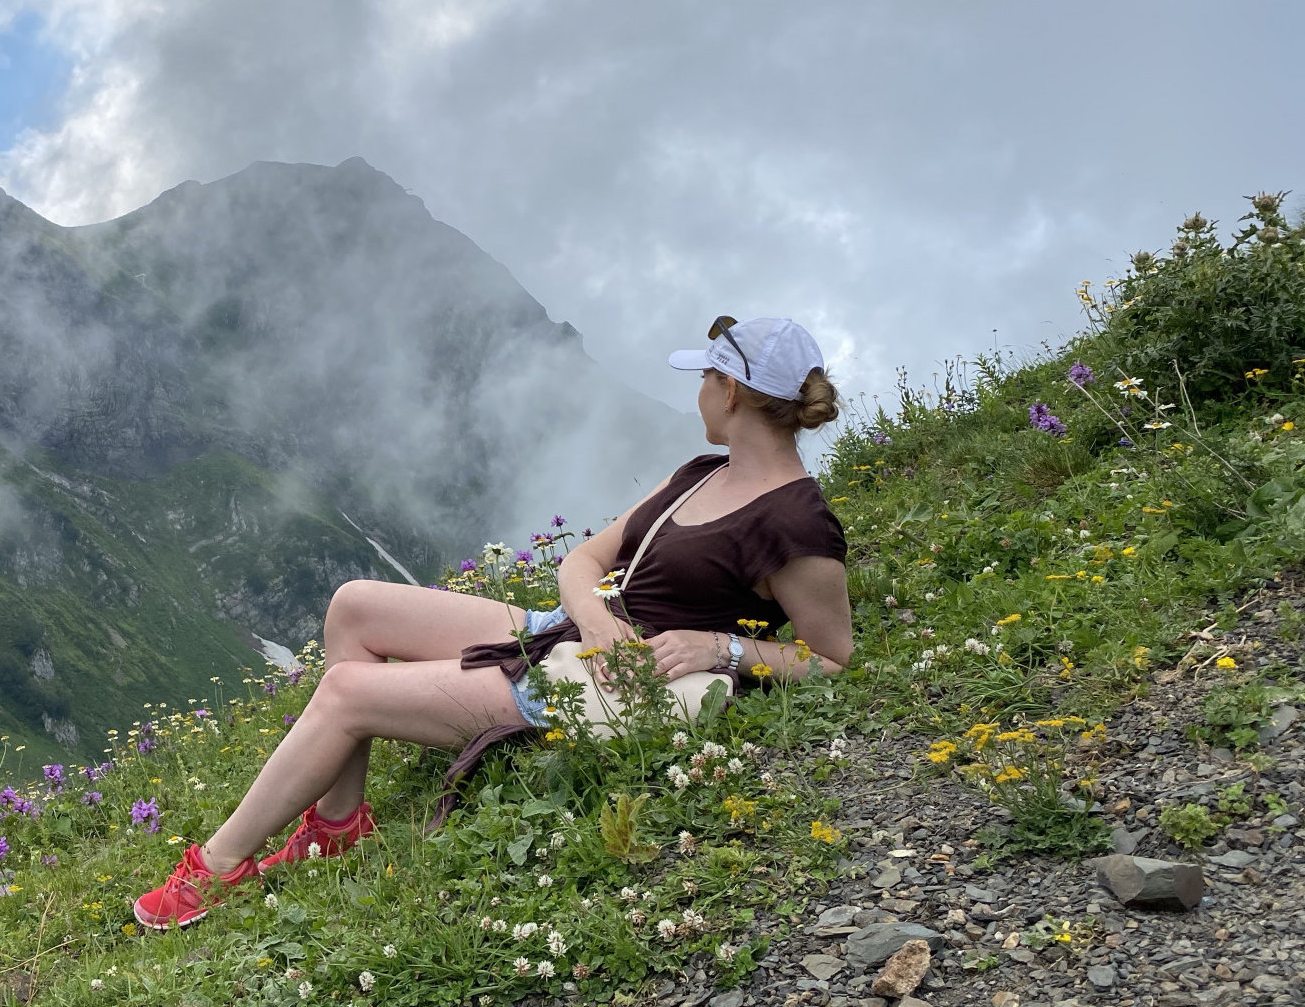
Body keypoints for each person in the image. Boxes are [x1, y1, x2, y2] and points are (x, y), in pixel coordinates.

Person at [132, 316, 854, 929]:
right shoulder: (701, 471)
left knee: (346, 692)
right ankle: (338, 824)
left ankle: (218, 867)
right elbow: (585, 560)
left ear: (730, 390)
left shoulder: (796, 522)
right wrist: (592, 616)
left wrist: (720, 647)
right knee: (353, 604)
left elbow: (832, 657)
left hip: (598, 687)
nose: (697, 389)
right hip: (572, 633)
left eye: (704, 376)